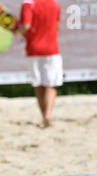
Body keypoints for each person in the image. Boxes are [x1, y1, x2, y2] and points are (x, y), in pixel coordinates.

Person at [15, 0, 63, 128]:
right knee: (51, 85)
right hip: (52, 49)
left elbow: (26, 25)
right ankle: (48, 115)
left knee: (38, 84)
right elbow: (58, 25)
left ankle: (43, 116)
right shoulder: (54, 3)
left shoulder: (28, 3)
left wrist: (17, 31)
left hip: (33, 49)